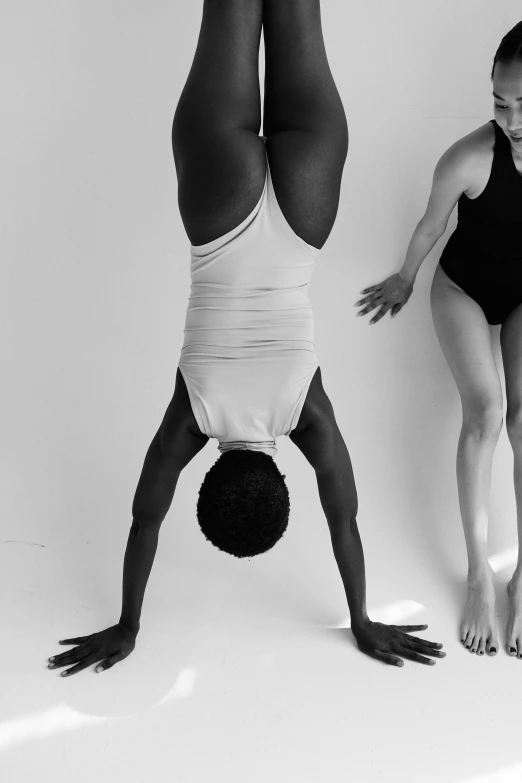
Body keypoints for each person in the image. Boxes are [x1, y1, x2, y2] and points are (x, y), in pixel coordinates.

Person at [47, 0, 445, 677]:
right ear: (207, 475)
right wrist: (127, 622)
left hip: (304, 208)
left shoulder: (305, 414)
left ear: (280, 474)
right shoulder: (192, 419)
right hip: (218, 202)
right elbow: (146, 519)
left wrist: (363, 619)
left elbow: (342, 518)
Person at [355, 21, 522, 659]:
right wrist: (403, 277)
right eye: (499, 103)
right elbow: (431, 225)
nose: (509, 118)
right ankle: (480, 575)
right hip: (464, 290)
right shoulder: (468, 158)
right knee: (486, 412)